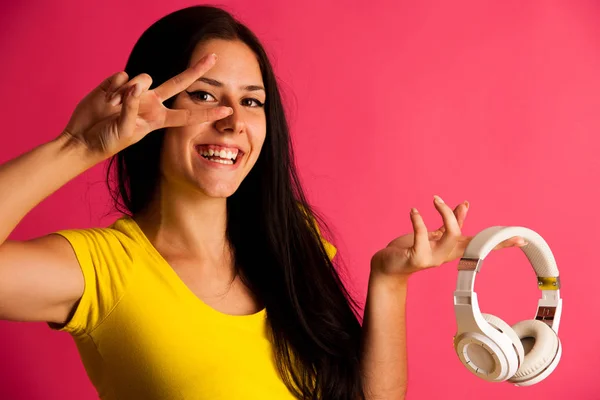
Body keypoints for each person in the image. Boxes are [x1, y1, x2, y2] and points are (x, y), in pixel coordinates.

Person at [0, 5, 526, 400]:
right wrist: (79, 146)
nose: (233, 121)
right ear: (149, 107)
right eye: (204, 95)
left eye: (251, 101)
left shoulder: (290, 241)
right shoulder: (99, 272)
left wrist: (389, 281)